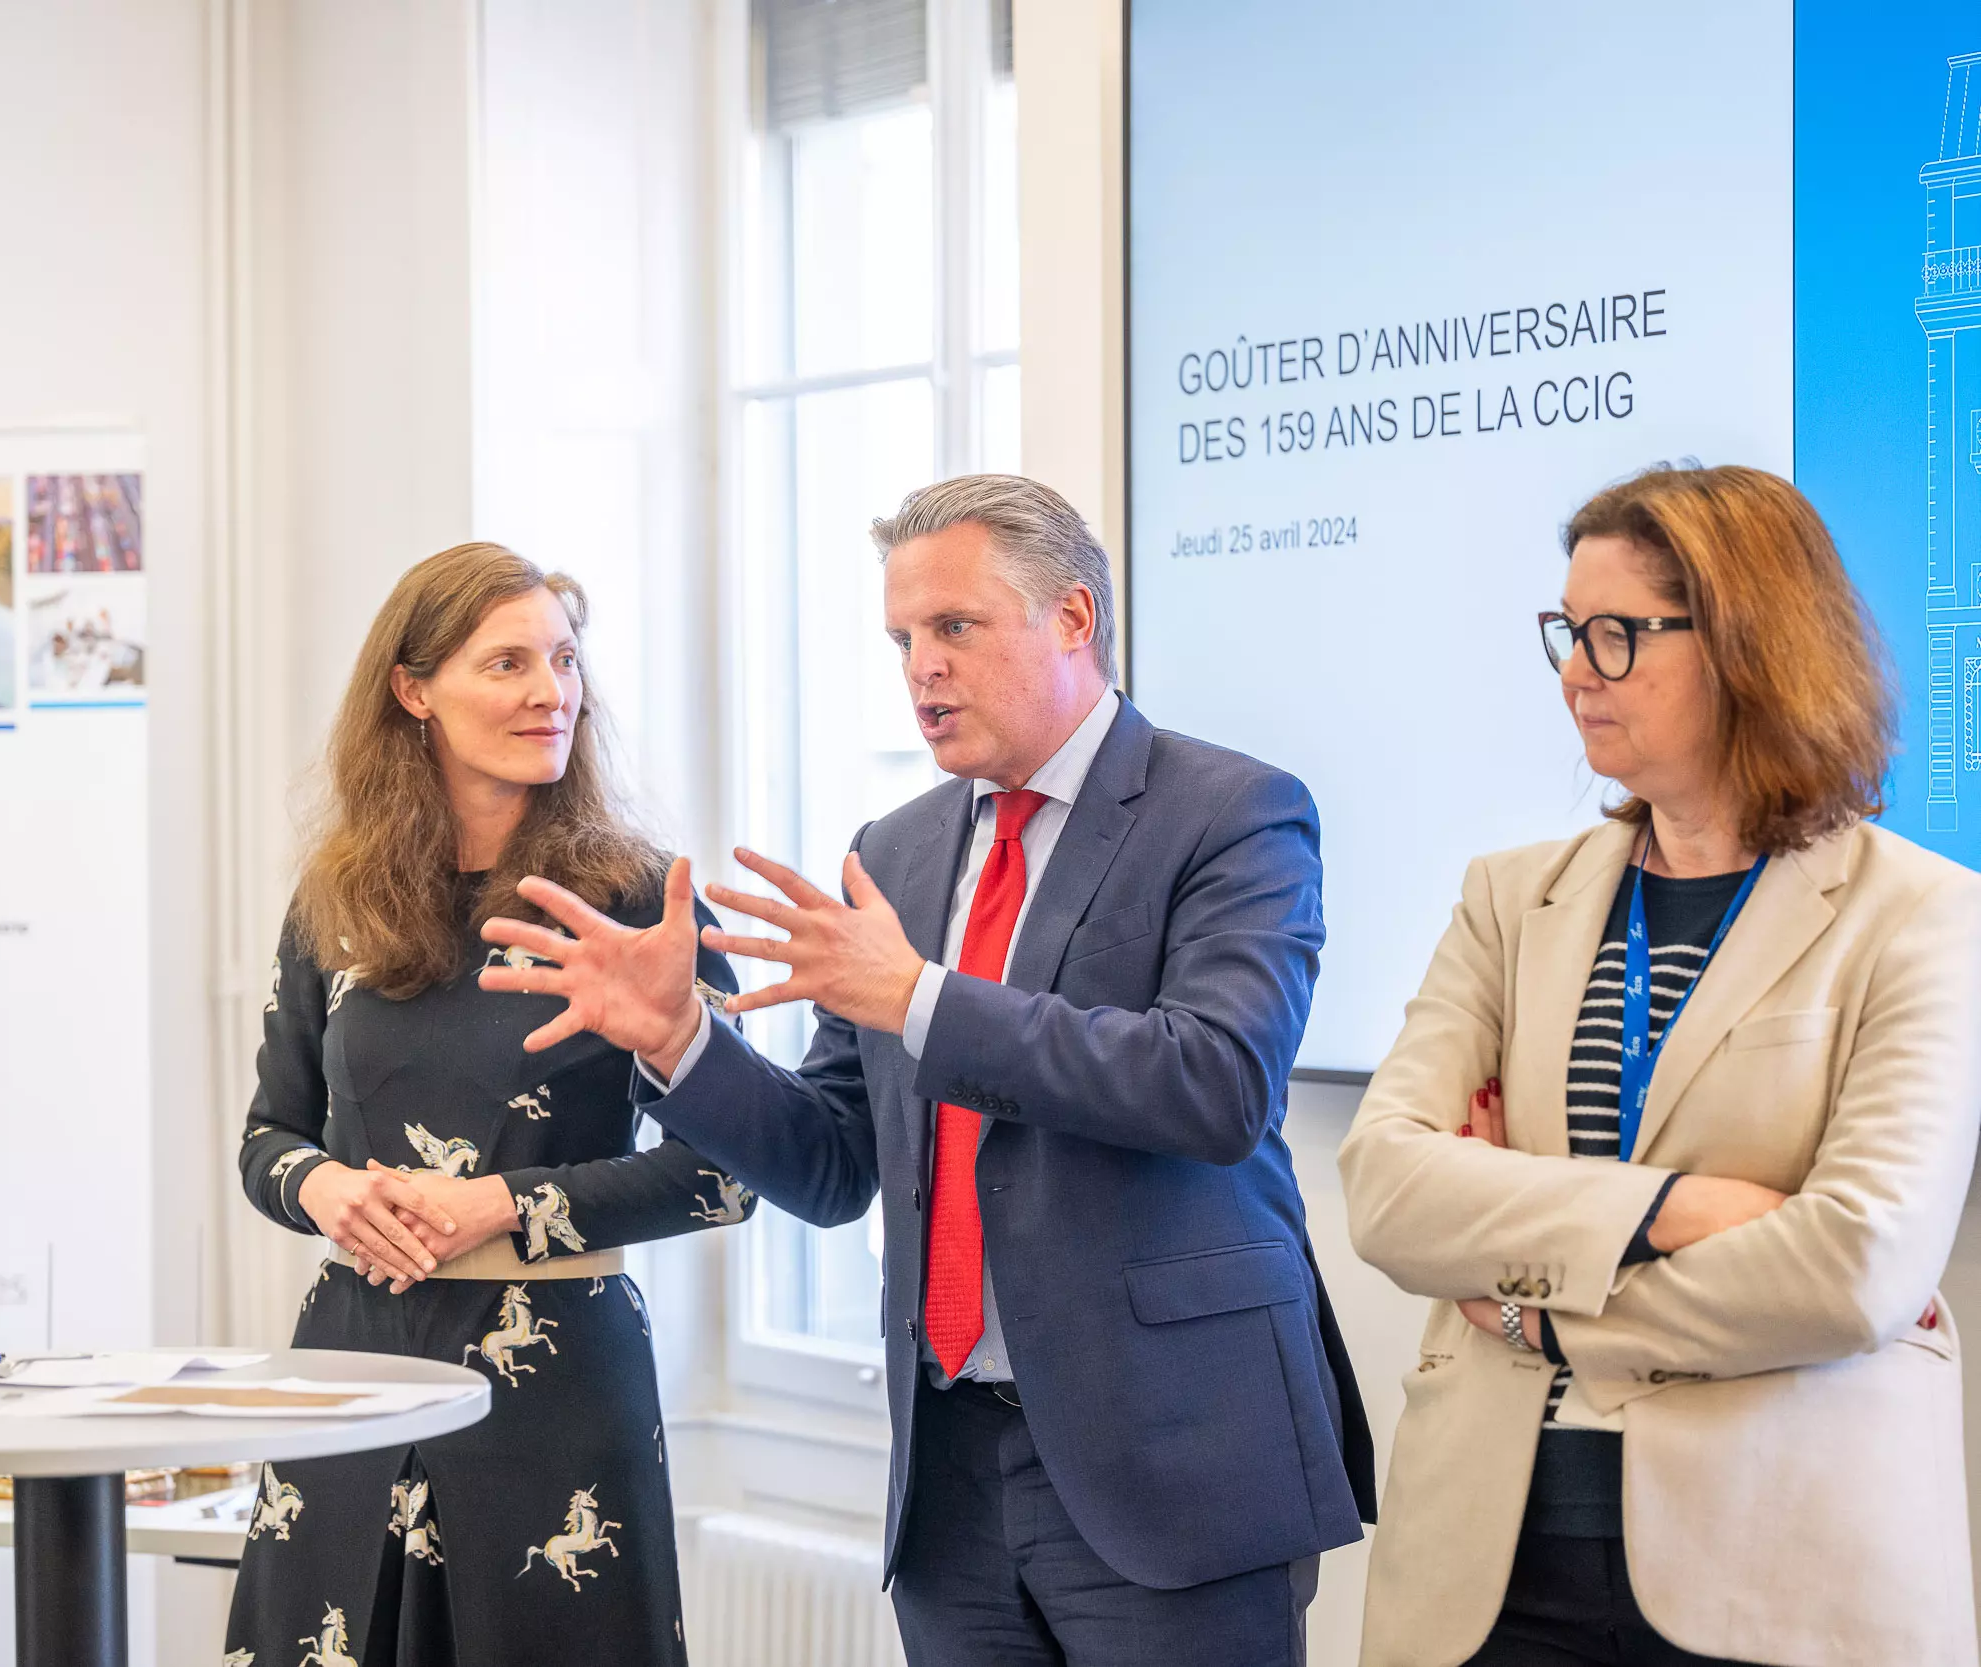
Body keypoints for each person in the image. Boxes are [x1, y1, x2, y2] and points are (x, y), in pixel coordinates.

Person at [476, 475, 1374, 1667]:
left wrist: (919, 997)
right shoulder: (895, 852)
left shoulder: (1231, 810)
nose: (921, 668)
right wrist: (679, 1039)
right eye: (902, 638)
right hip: (951, 1481)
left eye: (954, 626)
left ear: (1071, 617)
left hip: (1172, 1462)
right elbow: (834, 1161)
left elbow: (1214, 1083)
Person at [1338, 463, 1981, 1667]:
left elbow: (1855, 1269)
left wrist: (1542, 1319)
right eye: (1567, 632)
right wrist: (1678, 1208)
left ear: (1748, 645)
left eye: (1617, 634)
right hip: (1491, 1560)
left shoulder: (1923, 916)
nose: (1576, 672)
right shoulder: (1510, 899)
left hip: (1779, 1558)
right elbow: (1386, 1185)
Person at [225, 542, 749, 1667]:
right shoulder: (335, 896)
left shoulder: (637, 901)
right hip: (349, 1372)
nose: (550, 690)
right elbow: (268, 1136)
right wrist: (323, 1186)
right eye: (508, 662)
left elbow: (729, 1169)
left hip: (557, 1383)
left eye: (564, 659)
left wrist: (502, 1205)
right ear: (414, 689)